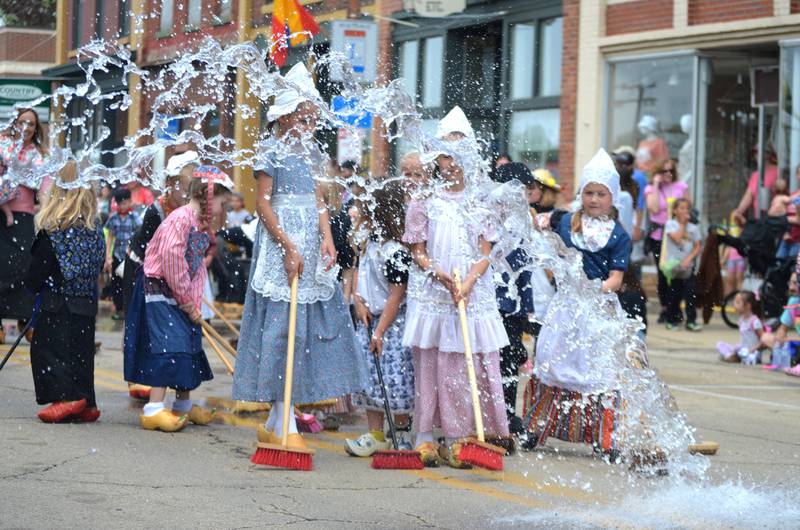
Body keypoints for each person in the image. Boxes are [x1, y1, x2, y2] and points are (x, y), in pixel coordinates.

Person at [232, 62, 368, 451]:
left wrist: (327, 240)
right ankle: (284, 416)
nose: (310, 121)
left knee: (303, 330)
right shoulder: (271, 149)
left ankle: (278, 418)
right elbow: (263, 204)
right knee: (280, 330)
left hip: (309, 239)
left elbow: (321, 203)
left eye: (312, 115)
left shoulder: (312, 152)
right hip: (281, 244)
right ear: (287, 114)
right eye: (304, 115)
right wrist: (288, 246)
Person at [403, 106, 509, 468]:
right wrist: (439, 273)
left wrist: (468, 281)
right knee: (431, 363)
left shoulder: (482, 201)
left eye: (456, 155)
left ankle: (462, 434)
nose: (450, 163)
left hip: (472, 291)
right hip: (434, 291)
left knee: (466, 365)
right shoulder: (423, 201)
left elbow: (485, 252)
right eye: (444, 155)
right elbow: (417, 251)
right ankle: (425, 435)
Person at [523, 149, 631, 455]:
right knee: (552, 363)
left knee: (601, 371)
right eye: (589, 193)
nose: (594, 199)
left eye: (601, 194)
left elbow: (616, 279)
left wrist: (593, 292)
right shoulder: (566, 221)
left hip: (598, 309)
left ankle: (605, 438)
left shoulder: (619, 235)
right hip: (566, 307)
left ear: (613, 197)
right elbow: (533, 223)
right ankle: (536, 428)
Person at [124, 166, 233, 432]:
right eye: (222, 202)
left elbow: (196, 270)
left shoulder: (200, 225)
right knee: (168, 344)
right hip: (160, 290)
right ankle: (154, 408)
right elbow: (173, 262)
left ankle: (183, 405)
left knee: (189, 343)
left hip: (179, 293)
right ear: (209, 195)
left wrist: (193, 302)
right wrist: (185, 298)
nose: (222, 209)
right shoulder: (180, 219)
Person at [24, 161, 105, 423]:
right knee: (81, 352)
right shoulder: (94, 231)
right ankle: (86, 399)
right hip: (85, 303)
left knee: (51, 351)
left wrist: (32, 285)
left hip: (57, 304)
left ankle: (67, 396)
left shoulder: (54, 232)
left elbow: (36, 273)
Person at [345, 182, 416, 456]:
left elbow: (396, 296)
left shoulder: (396, 251)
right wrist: (359, 302)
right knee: (370, 379)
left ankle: (400, 433)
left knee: (394, 379)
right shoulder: (369, 243)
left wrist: (381, 332)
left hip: (391, 326)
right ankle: (374, 433)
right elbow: (359, 275)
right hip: (368, 320)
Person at [121, 151, 196, 400]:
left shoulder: (186, 211)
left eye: (189, 190)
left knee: (165, 329)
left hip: (164, 274)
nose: (185, 195)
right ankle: (136, 378)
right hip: (141, 268)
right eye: (182, 188)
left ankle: (158, 379)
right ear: (169, 186)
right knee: (138, 321)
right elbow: (159, 251)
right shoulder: (157, 211)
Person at [489, 162, 553, 436]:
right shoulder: (487, 221)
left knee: (511, 357)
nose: (523, 197)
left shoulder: (522, 224)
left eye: (526, 192)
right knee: (490, 359)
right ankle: (488, 412)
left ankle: (508, 412)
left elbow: (525, 273)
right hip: (489, 304)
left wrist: (528, 310)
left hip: (513, 308)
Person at [0, 108, 47, 345]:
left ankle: (24, 319)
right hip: (1, 213)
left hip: (25, 217)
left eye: (30, 123)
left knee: (24, 267)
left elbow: (45, 186)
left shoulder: (38, 153)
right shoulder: (3, 144)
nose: (26, 127)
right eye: (22, 122)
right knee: (1, 268)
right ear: (15, 124)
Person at [644, 158, 690, 323]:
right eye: (664, 171)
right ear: (658, 173)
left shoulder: (681, 187)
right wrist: (656, 184)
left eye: (671, 170)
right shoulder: (650, 188)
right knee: (663, 272)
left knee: (678, 271)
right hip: (659, 236)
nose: (668, 174)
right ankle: (665, 308)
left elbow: (687, 208)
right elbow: (654, 208)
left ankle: (676, 307)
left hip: (678, 235)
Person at [663, 198, 702, 331]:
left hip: (688, 266)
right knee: (674, 294)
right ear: (675, 210)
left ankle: (691, 320)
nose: (685, 211)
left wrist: (689, 258)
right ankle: (671, 319)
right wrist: (683, 224)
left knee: (690, 293)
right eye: (681, 208)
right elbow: (677, 238)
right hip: (674, 265)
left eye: (687, 208)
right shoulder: (670, 225)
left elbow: (697, 246)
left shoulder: (694, 228)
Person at [104, 187, 140, 320]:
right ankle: (118, 308)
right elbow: (110, 237)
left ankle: (128, 309)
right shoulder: (114, 218)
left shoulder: (134, 217)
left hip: (130, 256)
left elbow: (138, 235)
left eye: (125, 203)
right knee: (116, 284)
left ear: (130, 202)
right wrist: (108, 256)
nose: (122, 206)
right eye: (119, 204)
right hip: (117, 255)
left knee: (129, 283)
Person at [717, 291, 768, 365]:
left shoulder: (755, 321)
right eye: (734, 302)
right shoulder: (741, 320)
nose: (734, 305)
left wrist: (751, 350)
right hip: (743, 350)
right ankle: (733, 356)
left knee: (746, 355)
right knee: (720, 344)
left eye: (737, 302)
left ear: (748, 305)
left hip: (752, 353)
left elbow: (764, 341)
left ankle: (733, 356)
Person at [732, 147, 779, 225]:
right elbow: (749, 195)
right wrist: (739, 211)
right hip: (760, 219)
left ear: (769, 155)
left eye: (759, 152)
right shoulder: (755, 175)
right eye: (755, 153)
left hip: (774, 219)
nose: (757, 155)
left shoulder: (778, 172)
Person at [765, 272, 799, 371]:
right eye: (791, 283)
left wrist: (790, 340)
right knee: (766, 338)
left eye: (796, 283)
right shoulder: (793, 302)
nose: (792, 287)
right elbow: (782, 328)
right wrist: (780, 338)